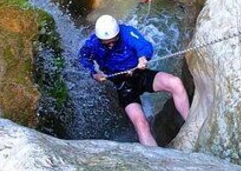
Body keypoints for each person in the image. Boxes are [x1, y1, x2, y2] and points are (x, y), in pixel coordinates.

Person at [79, 15, 189, 146]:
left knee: (175, 83)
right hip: (123, 85)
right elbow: (83, 59)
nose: (110, 45)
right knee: (141, 124)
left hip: (139, 74)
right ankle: (156, 158)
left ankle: (191, 124)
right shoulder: (92, 44)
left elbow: (144, 45)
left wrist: (143, 58)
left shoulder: (126, 32)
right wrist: (94, 73)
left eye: (113, 40)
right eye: (106, 42)